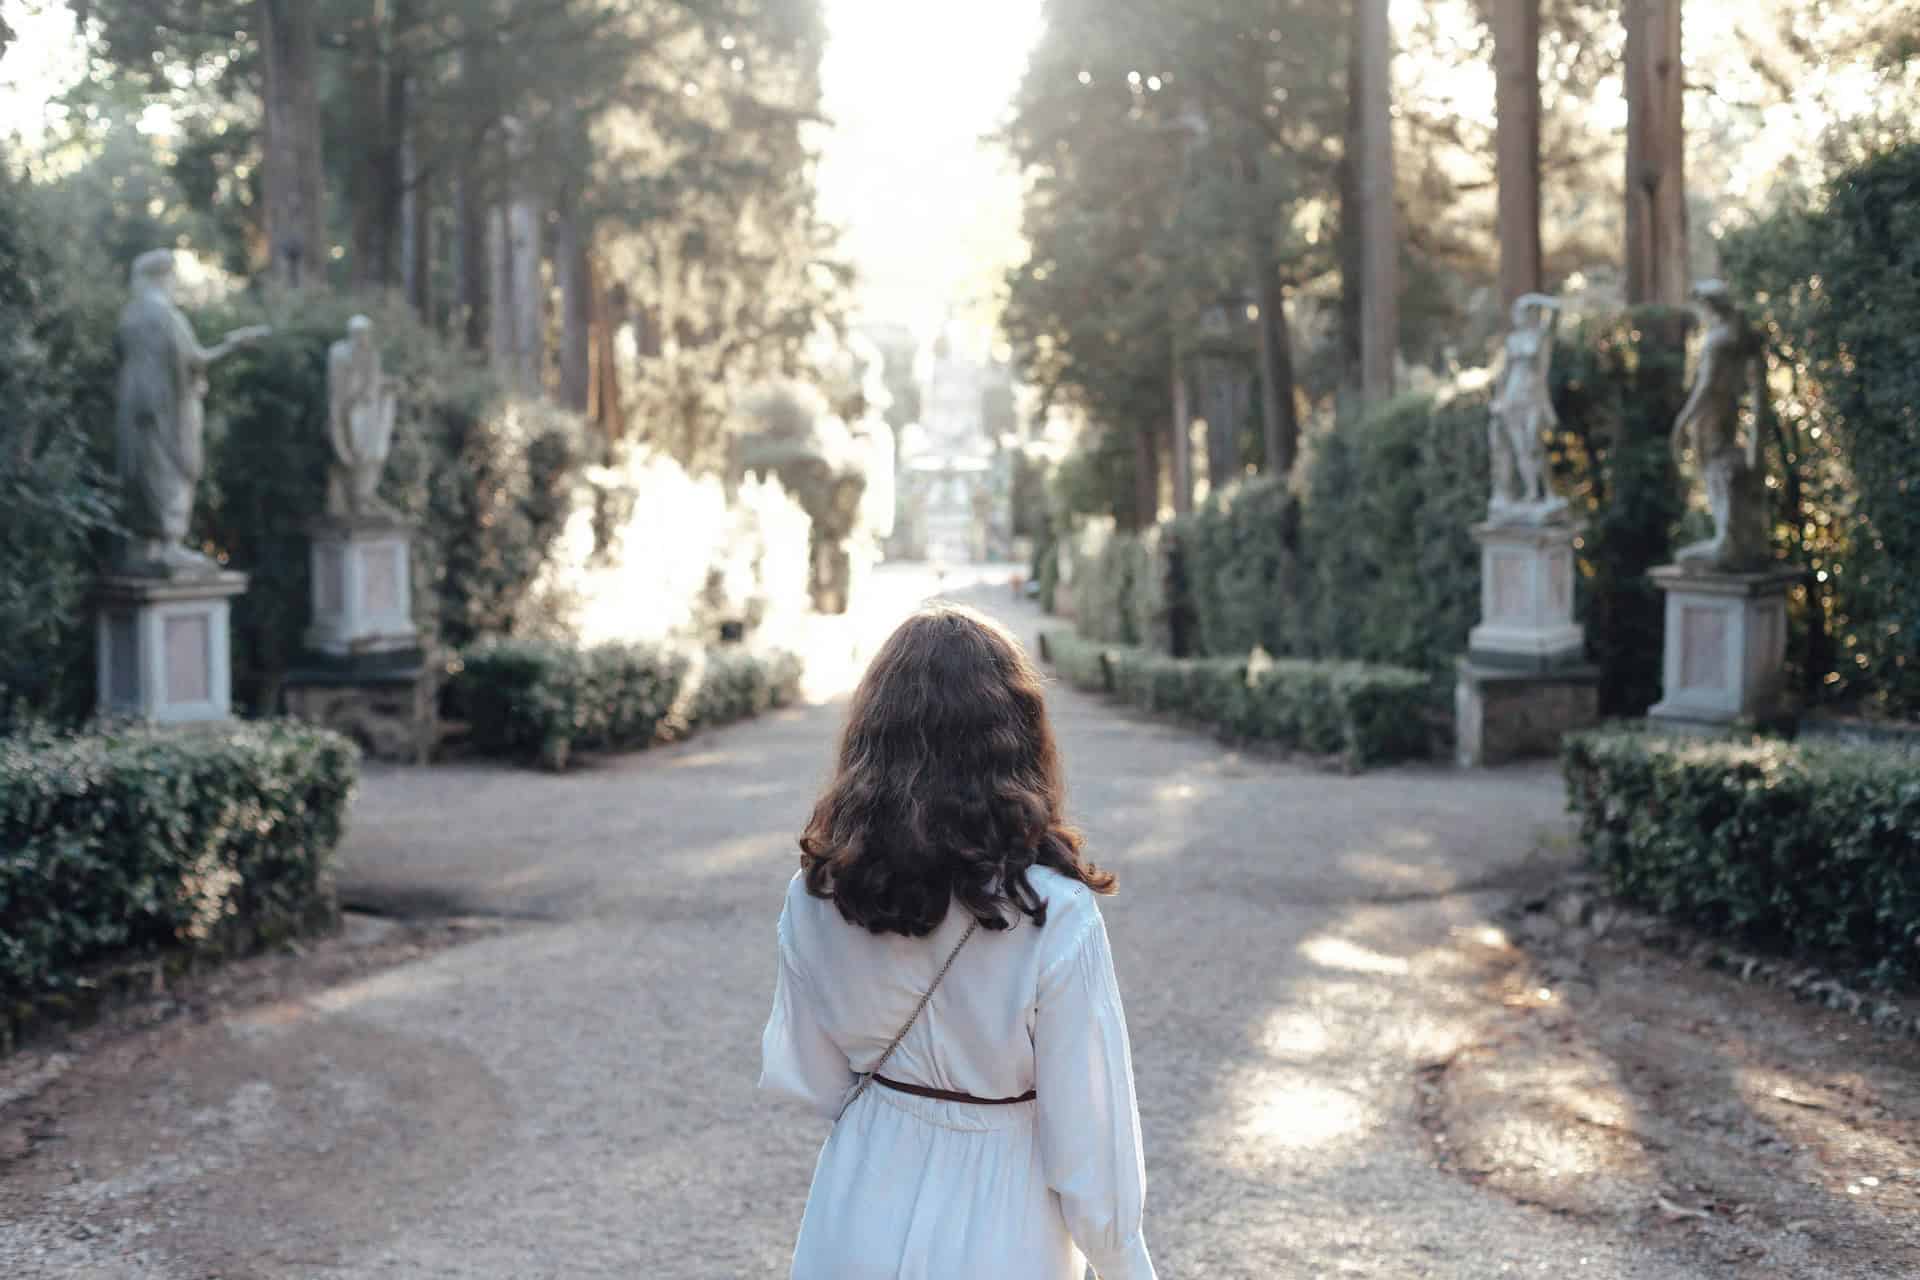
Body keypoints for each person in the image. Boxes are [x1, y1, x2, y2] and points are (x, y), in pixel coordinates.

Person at [760, 603, 1157, 1280]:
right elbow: (1093, 1152)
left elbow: (814, 1080)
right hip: (1005, 1224)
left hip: (856, 1204)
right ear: (1018, 738)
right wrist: (1127, 1268)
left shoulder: (820, 894)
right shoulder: (1053, 913)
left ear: (871, 736)